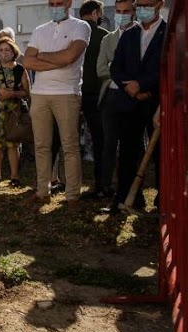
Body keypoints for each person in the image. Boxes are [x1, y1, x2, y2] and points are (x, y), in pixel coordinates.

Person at [23, 0, 91, 207]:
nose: (55, 6)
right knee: (41, 145)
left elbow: (70, 57)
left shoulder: (81, 26)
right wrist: (57, 58)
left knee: (69, 145)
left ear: (69, 3)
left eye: (59, 2)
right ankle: (43, 191)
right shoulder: (39, 30)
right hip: (40, 94)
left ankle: (72, 196)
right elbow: (27, 62)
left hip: (67, 93)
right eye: (51, 3)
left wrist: (42, 56)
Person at [101, 0, 166, 214]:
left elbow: (169, 68)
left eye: (148, 4)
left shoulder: (169, 34)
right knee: (128, 152)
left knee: (160, 154)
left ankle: (163, 202)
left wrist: (145, 85)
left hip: (157, 102)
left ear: (159, 4)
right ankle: (125, 199)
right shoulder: (129, 34)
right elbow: (116, 67)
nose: (142, 9)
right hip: (130, 102)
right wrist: (132, 88)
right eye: (139, 4)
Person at [97, 0, 136, 199]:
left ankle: (130, 189)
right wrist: (123, 72)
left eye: (126, 11)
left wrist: (117, 69)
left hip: (133, 97)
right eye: (118, 11)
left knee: (132, 145)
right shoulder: (108, 39)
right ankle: (106, 186)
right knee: (109, 144)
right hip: (110, 97)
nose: (121, 15)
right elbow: (101, 69)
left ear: (134, 12)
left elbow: (140, 70)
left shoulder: (141, 35)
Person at [0, 38, 30, 187]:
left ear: (13, 51)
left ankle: (14, 177)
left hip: (13, 114)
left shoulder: (20, 69)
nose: (4, 53)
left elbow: (26, 92)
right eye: (1, 50)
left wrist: (12, 94)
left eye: (7, 50)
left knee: (12, 145)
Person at [79, 0, 110, 199]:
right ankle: (101, 185)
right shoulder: (103, 36)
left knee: (68, 142)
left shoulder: (73, 34)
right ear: (97, 13)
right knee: (101, 142)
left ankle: (58, 181)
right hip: (98, 96)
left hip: (72, 93)